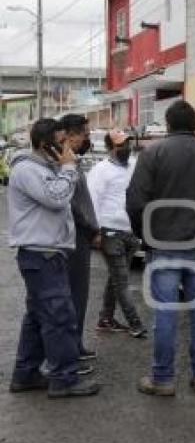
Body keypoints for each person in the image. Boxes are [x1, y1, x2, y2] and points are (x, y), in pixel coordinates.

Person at [126, 101, 195, 396]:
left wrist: (145, 235)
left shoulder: (153, 154)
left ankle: (163, 379)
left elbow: (135, 202)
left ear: (168, 125)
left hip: (164, 245)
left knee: (165, 313)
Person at [7, 118, 100, 398]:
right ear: (45, 144)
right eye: (61, 142)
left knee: (37, 316)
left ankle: (26, 374)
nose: (67, 147)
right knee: (60, 316)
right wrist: (68, 168)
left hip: (47, 252)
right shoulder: (27, 169)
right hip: (41, 254)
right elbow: (56, 198)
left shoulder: (44, 168)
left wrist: (65, 169)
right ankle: (63, 378)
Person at [87, 129, 147, 338]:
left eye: (128, 144)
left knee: (116, 278)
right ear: (111, 147)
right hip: (109, 232)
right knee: (122, 281)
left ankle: (105, 319)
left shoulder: (133, 165)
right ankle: (135, 323)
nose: (126, 148)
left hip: (130, 232)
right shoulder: (100, 171)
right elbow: (92, 202)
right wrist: (95, 232)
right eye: (121, 144)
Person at [59, 114, 100, 368]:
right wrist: (92, 227)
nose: (87, 138)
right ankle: (70, 350)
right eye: (84, 134)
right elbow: (74, 204)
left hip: (77, 235)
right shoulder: (65, 163)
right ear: (71, 135)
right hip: (75, 237)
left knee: (79, 295)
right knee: (74, 294)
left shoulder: (72, 161)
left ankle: (75, 344)